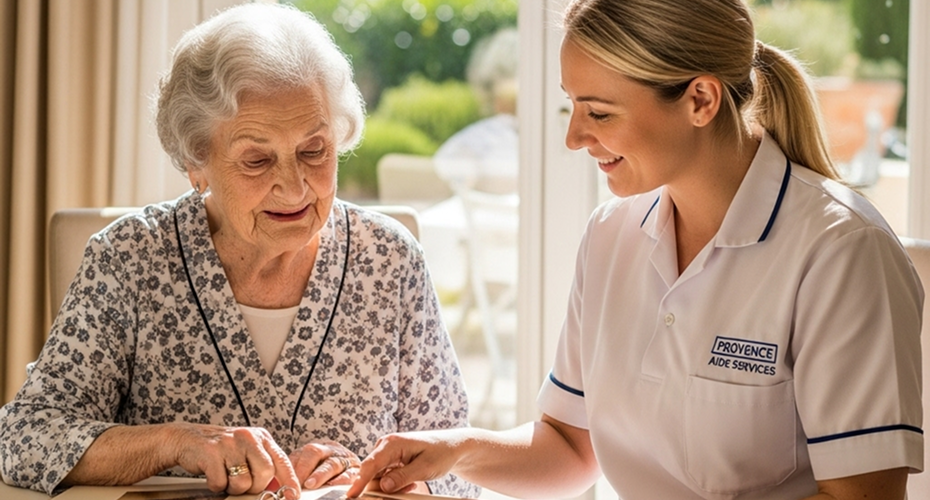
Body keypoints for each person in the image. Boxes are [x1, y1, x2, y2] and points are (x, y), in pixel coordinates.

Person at [348, 0, 924, 499]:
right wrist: (454, 450)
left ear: (701, 100)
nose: (574, 137)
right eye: (572, 106)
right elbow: (572, 446)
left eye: (599, 112)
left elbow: (862, 496)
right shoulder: (610, 235)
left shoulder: (843, 252)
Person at [0, 4, 479, 499]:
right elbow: (24, 437)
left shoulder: (389, 261)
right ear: (196, 161)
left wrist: (377, 476)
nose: (294, 187)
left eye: (314, 150)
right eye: (256, 159)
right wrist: (176, 443)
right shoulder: (131, 259)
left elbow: (459, 472)